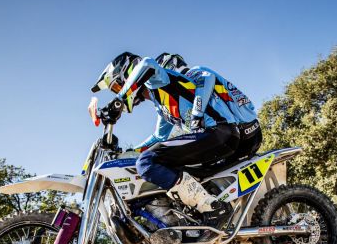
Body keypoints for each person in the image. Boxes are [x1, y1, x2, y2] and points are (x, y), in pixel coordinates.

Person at [91, 52, 240, 229]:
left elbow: (148, 63)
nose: (119, 91)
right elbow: (159, 137)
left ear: (128, 73)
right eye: (116, 90)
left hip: (218, 132)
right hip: (214, 137)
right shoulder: (160, 106)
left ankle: (213, 208)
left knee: (146, 162)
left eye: (117, 86)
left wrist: (119, 99)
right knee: (154, 163)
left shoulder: (159, 80)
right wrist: (127, 153)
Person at [155, 53, 262, 164]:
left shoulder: (191, 73)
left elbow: (207, 78)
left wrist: (196, 118)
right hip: (251, 128)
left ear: (171, 66)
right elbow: (158, 135)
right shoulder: (192, 79)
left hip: (239, 133)